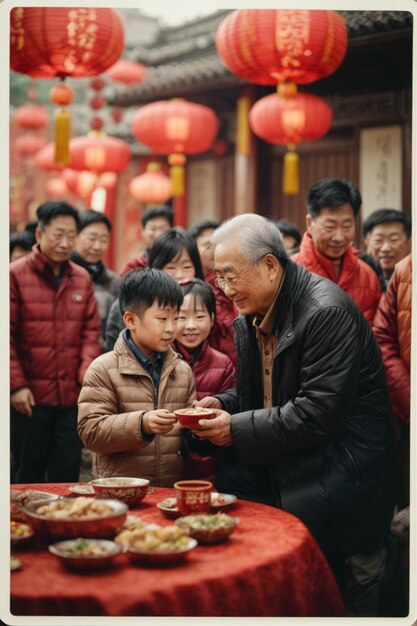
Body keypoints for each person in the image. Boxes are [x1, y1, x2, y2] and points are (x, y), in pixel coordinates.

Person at [193, 213, 396, 616]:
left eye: (233, 276)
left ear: (270, 265)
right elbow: (261, 397)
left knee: (336, 598)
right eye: (220, 278)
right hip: (297, 463)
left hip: (342, 469)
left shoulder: (325, 313)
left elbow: (315, 413)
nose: (227, 289)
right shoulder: (252, 313)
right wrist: (224, 404)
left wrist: (233, 429)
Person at [77, 268, 197, 484]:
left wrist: (199, 427)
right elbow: (91, 432)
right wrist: (142, 424)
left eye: (176, 318)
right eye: (162, 319)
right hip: (118, 491)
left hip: (169, 491)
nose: (171, 328)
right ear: (131, 320)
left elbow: (186, 440)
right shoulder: (103, 368)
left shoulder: (182, 371)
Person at [10, 200, 101, 483]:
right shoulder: (14, 275)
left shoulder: (82, 278)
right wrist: (16, 385)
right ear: (40, 234)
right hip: (29, 398)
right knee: (28, 474)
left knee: (67, 473)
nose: (65, 243)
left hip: (71, 397)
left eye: (71, 236)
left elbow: (90, 331)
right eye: (58, 234)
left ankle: (64, 527)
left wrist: (85, 374)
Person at [292, 177, 382, 324]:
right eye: (330, 227)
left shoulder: (368, 276)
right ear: (309, 223)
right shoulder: (289, 274)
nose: (339, 237)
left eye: (347, 227)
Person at [174, 278, 236, 481]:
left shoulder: (223, 363)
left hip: (209, 468)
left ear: (212, 318)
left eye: (199, 316)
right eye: (181, 317)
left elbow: (232, 409)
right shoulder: (161, 360)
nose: (191, 326)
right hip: (167, 466)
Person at [104, 228, 203, 351]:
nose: (179, 275)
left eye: (187, 267)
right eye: (171, 267)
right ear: (156, 268)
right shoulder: (133, 304)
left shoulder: (206, 302)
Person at [188, 219, 238, 365]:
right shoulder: (191, 287)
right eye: (207, 245)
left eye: (217, 245)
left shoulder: (233, 280)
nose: (213, 251)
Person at [71, 209, 120, 348]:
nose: (97, 246)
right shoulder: (60, 276)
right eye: (91, 239)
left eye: (103, 240)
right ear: (75, 236)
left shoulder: (113, 281)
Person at [363, 209, 411, 291]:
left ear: (410, 243)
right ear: (366, 244)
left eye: (394, 240)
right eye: (378, 240)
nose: (386, 248)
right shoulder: (356, 278)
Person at [120, 204, 173, 275]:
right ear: (143, 231)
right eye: (152, 228)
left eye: (163, 228)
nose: (158, 234)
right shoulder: (134, 266)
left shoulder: (177, 262)